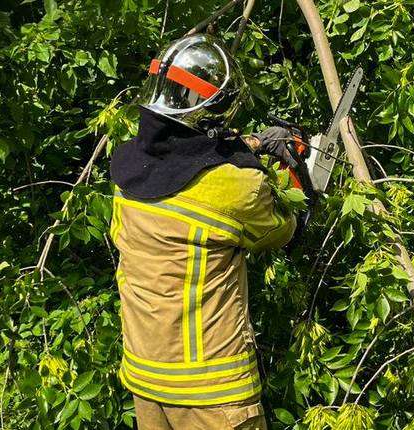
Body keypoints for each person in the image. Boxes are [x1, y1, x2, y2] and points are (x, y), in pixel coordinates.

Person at [109, 34, 299, 430]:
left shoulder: (128, 171)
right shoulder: (237, 187)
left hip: (145, 375)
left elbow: (186, 154)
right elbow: (282, 230)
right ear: (211, 111)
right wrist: (291, 174)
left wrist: (252, 143)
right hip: (212, 390)